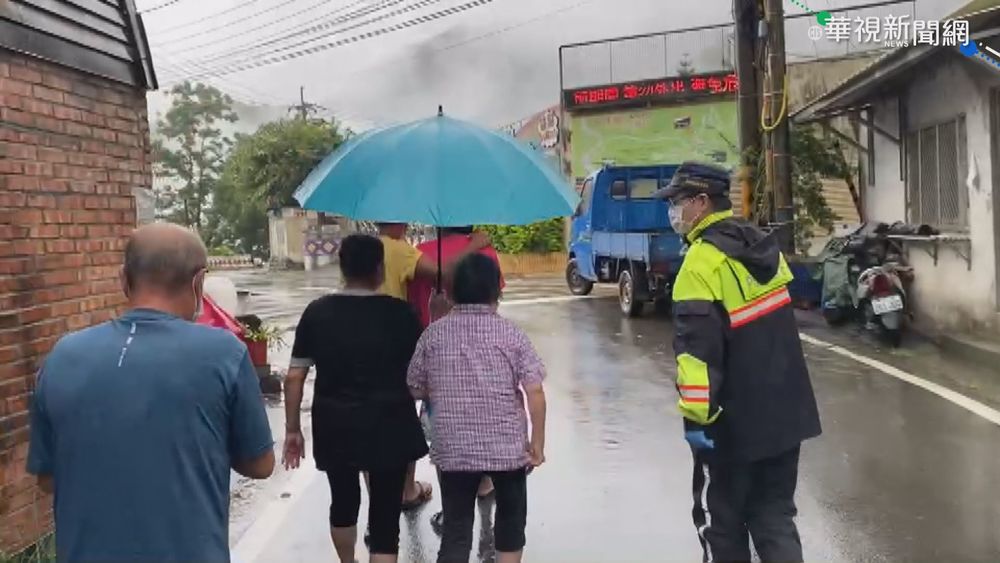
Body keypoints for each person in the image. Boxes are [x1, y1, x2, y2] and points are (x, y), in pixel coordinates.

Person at [26, 223, 275, 562]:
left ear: (123, 279)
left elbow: (47, 478)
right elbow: (260, 464)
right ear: (198, 282)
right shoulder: (223, 353)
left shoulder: (62, 356)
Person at [656, 162, 822, 563]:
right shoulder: (763, 248)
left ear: (701, 202)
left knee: (725, 526)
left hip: (735, 426)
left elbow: (697, 358)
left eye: (678, 202)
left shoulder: (700, 264)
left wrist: (697, 423)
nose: (673, 211)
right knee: (774, 516)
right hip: (787, 415)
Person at [282, 234, 428, 563]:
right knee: (385, 514)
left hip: (335, 423)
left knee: (343, 501)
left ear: (342, 268)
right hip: (390, 423)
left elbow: (294, 377)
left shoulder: (317, 313)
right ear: (380, 269)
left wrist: (293, 429)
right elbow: (422, 376)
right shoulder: (402, 314)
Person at [407, 254, 547, 563]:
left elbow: (414, 385)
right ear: (497, 291)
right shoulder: (512, 335)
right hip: (507, 449)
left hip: (454, 450)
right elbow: (535, 390)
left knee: (456, 530)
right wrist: (536, 443)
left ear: (452, 292)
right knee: (510, 522)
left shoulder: (433, 335)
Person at [375, 222, 491, 510]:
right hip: (463, 342)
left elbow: (417, 298)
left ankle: (406, 489)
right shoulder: (404, 251)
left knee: (413, 415)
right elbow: (455, 278)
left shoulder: (411, 250)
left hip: (410, 341)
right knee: (476, 408)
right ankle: (484, 480)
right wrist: (474, 247)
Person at [407, 226, 506, 533]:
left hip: (439, 360)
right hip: (484, 357)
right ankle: (485, 483)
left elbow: (413, 308)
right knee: (484, 421)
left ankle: (452, 511)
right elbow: (494, 301)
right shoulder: (485, 251)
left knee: (444, 438)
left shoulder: (421, 254)